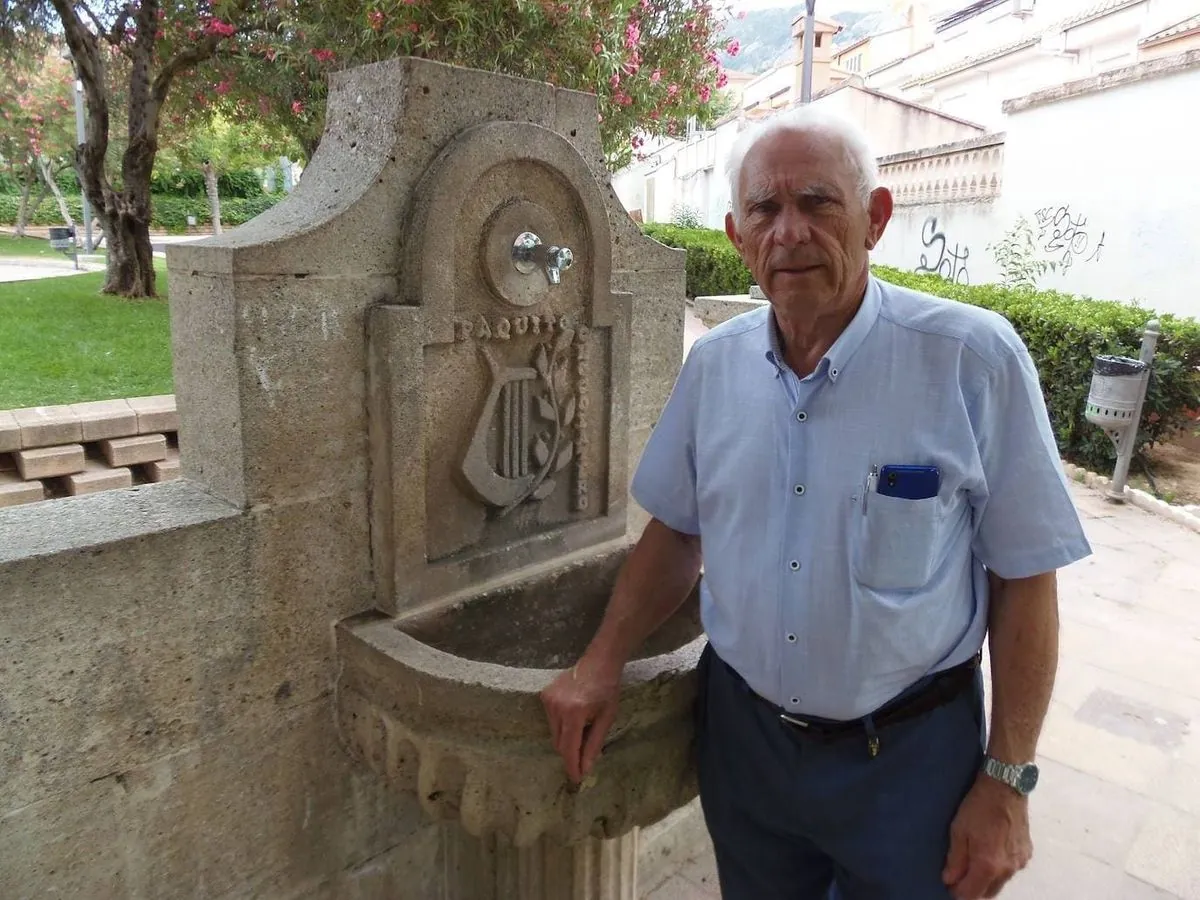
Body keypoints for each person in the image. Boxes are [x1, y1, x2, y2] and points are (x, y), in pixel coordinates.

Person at [541, 105, 1092, 900]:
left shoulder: (973, 359)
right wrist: (602, 662)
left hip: (911, 763)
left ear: (875, 218)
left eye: (817, 203)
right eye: (765, 209)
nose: (788, 231)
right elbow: (675, 534)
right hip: (745, 751)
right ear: (736, 234)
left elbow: (1026, 579)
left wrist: (1006, 782)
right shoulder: (716, 369)